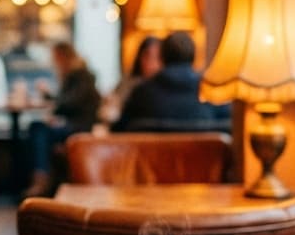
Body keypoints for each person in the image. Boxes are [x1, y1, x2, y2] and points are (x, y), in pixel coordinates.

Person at [21, 41, 101, 198]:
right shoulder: (75, 76)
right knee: (37, 127)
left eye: (55, 57)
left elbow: (69, 103)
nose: (53, 62)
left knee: (38, 129)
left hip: (80, 128)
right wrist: (49, 97)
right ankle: (42, 178)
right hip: (73, 125)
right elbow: (65, 102)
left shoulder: (82, 76)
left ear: (64, 57)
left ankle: (41, 179)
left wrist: (52, 103)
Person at [113, 30, 231, 132]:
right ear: (194, 57)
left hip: (153, 158)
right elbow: (229, 126)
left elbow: (119, 131)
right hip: (207, 158)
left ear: (162, 57)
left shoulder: (142, 93)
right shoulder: (213, 92)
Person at [99, 35, 162, 124]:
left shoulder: (165, 87)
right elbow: (111, 108)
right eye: (147, 56)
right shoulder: (127, 82)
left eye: (157, 57)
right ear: (139, 57)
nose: (151, 62)